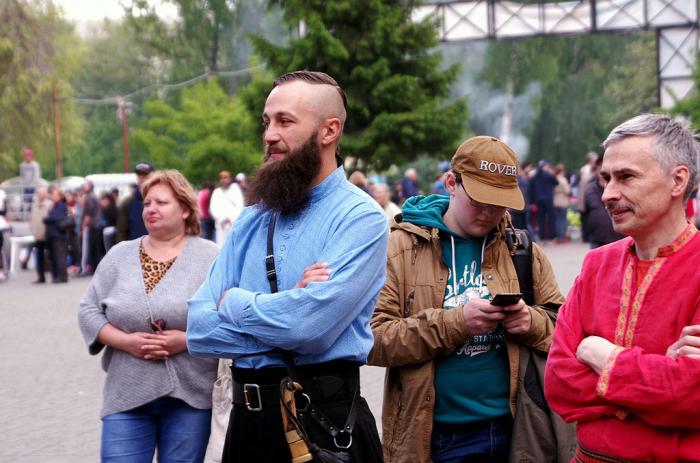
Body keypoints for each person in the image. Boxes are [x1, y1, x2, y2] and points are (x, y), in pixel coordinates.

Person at [187, 70, 387, 463]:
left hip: (324, 428)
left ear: (329, 131)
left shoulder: (360, 218)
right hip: (246, 429)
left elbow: (308, 328)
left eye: (284, 122)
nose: (269, 135)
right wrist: (291, 306)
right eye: (267, 121)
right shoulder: (252, 218)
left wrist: (236, 302)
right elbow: (198, 330)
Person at [368, 136, 565, 463]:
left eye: (498, 202)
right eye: (479, 200)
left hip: (517, 430)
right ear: (451, 183)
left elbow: (565, 328)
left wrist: (531, 321)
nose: (488, 213)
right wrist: (455, 323)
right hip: (433, 436)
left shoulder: (522, 249)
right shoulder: (400, 249)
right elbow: (372, 341)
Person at [544, 113, 700, 461]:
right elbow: (559, 383)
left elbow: (693, 397)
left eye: (626, 177)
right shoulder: (597, 264)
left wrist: (605, 357)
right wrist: (658, 377)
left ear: (678, 180)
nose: (609, 194)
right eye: (606, 178)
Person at [78, 170, 219, 463]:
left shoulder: (211, 257)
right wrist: (125, 341)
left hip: (190, 395)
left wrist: (188, 340)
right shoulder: (119, 255)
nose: (151, 209)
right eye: (146, 203)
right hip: (127, 392)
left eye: (161, 203)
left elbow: (229, 318)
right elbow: (89, 310)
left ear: (184, 209)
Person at [583, 156, 623, 248]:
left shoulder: (621, 188)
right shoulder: (590, 188)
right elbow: (585, 211)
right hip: (597, 239)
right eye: (600, 166)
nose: (602, 169)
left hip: (619, 238)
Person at [116, 161, 155, 243]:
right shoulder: (127, 202)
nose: (141, 177)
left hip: (159, 249)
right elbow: (121, 232)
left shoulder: (162, 200)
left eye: (145, 174)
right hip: (134, 250)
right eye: (139, 175)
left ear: (153, 175)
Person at [208, 170, 244, 248]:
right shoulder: (216, 192)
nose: (224, 180)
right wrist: (221, 218)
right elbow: (213, 208)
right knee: (220, 247)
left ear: (230, 179)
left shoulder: (236, 190)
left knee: (233, 246)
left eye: (225, 178)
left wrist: (230, 218)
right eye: (222, 178)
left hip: (233, 224)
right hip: (221, 225)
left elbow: (240, 206)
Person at [43, 186, 69, 283]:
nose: (52, 197)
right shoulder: (55, 205)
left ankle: (63, 276)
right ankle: (58, 275)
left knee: (60, 256)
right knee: (55, 256)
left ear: (59, 195)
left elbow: (55, 217)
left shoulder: (61, 205)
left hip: (58, 234)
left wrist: (47, 219)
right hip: (53, 234)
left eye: (54, 195)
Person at [529, 160, 558, 241]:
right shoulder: (548, 175)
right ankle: (551, 235)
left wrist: (532, 201)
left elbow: (531, 190)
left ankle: (542, 236)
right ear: (545, 166)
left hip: (538, 199)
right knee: (551, 217)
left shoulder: (534, 176)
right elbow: (556, 182)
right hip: (548, 199)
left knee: (540, 218)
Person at [29, 187, 52, 284]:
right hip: (37, 235)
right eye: (38, 193)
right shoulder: (34, 205)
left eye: (41, 193)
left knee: (51, 255)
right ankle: (40, 277)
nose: (39, 195)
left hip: (47, 234)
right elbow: (32, 218)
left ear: (45, 194)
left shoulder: (49, 204)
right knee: (39, 256)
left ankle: (55, 275)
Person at [576, 151, 599, 243]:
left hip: (586, 196)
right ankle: (586, 236)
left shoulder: (587, 169)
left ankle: (587, 236)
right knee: (586, 218)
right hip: (586, 196)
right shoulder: (586, 170)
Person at [79, 180, 101, 276]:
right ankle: (95, 268)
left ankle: (90, 268)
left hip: (92, 225)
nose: (84, 186)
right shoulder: (94, 196)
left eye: (86, 185)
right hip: (96, 225)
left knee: (90, 248)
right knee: (94, 249)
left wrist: (83, 225)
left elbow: (88, 214)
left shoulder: (89, 197)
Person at [19, 147, 41, 214]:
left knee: (31, 199)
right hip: (25, 186)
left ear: (31, 156)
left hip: (32, 186)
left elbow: (37, 175)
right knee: (25, 199)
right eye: (26, 156)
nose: (27, 157)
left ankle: (31, 211)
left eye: (29, 156)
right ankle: (23, 213)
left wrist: (33, 184)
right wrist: (22, 184)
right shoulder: (22, 165)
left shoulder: (35, 164)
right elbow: (21, 175)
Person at [553, 163, 571, 241]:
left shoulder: (554, 178)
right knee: (563, 220)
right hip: (563, 201)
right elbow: (567, 191)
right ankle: (562, 236)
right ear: (562, 171)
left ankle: (558, 235)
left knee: (557, 220)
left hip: (555, 200)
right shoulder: (563, 179)